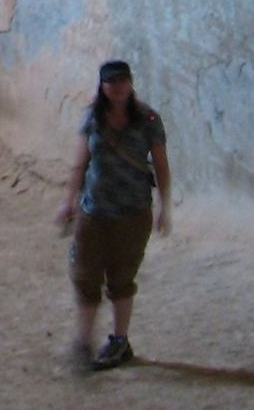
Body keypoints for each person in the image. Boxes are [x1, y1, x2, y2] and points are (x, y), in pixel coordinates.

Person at [54, 60, 171, 372]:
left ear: (130, 84)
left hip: (132, 214)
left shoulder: (148, 119)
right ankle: (84, 340)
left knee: (121, 278)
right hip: (94, 213)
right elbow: (80, 163)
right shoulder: (93, 118)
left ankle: (120, 341)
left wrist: (164, 206)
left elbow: (160, 165)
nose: (117, 87)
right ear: (102, 86)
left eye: (122, 81)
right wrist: (70, 201)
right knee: (84, 275)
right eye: (111, 82)